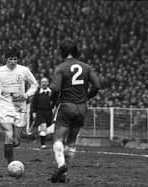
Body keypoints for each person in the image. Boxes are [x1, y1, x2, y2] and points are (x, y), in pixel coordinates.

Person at [50, 38, 101, 183]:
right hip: (81, 107)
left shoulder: (61, 67)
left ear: (63, 51)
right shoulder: (86, 67)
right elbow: (97, 85)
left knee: (58, 139)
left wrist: (53, 101)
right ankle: (64, 176)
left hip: (66, 105)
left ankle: (61, 166)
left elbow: (55, 89)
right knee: (71, 141)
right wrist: (87, 97)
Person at [0, 45, 38, 164]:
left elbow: (35, 84)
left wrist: (27, 95)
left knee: (16, 140)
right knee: (9, 134)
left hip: (19, 107)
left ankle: (16, 141)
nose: (13, 62)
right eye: (10, 59)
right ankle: (10, 164)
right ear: (6, 59)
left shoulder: (24, 70)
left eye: (15, 59)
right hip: (4, 106)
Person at [31, 77, 53, 149]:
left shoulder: (51, 92)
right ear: (40, 83)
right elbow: (34, 103)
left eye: (45, 82)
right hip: (40, 112)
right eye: (42, 82)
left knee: (47, 128)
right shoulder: (37, 93)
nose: (44, 83)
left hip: (49, 113)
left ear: (48, 83)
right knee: (43, 126)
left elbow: (55, 101)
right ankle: (43, 144)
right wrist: (33, 112)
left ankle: (41, 137)